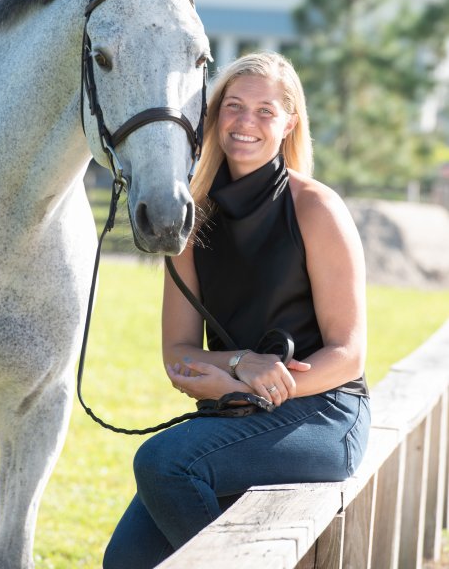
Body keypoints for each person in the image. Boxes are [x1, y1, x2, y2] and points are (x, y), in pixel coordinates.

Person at [103, 52, 370, 569]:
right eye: (234, 106)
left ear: (289, 122)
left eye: (266, 111)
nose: (246, 122)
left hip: (322, 414)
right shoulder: (190, 221)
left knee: (163, 462)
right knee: (126, 561)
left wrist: (251, 383)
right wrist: (238, 364)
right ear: (215, 115)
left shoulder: (315, 208)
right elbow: (179, 358)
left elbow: (349, 354)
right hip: (236, 416)